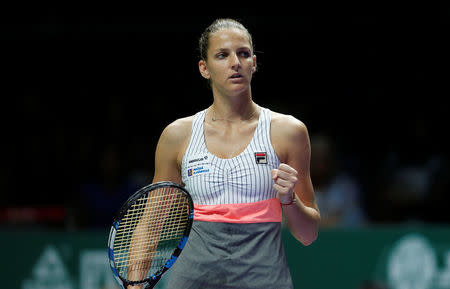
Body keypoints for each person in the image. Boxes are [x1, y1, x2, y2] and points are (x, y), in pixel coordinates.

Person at [130, 18, 320, 289]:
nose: (235, 62)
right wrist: (135, 284)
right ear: (204, 68)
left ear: (254, 63)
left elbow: (308, 235)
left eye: (243, 54)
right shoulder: (178, 136)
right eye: (223, 55)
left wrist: (289, 201)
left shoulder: (288, 132)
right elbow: (151, 225)